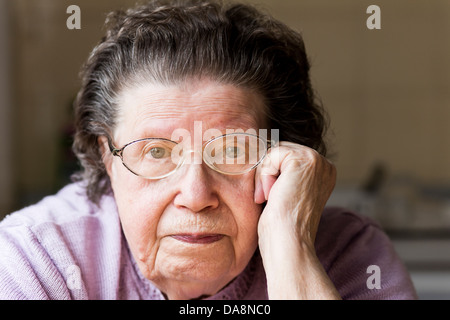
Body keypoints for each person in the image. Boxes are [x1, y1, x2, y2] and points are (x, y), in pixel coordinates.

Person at [0, 0, 417, 300]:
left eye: (233, 150)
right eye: (157, 152)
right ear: (107, 156)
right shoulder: (39, 258)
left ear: (283, 155)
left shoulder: (347, 254)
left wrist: (289, 243)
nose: (196, 196)